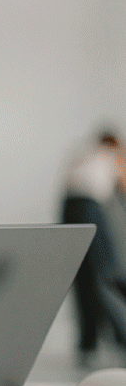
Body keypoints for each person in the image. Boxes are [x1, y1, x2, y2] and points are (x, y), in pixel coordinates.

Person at [62, 129, 126, 354]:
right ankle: (123, 336)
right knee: (105, 276)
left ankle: (87, 340)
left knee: (82, 277)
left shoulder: (82, 153)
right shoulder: (111, 156)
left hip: (68, 208)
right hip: (89, 208)